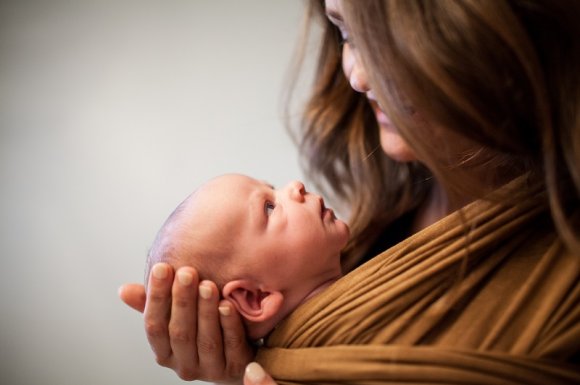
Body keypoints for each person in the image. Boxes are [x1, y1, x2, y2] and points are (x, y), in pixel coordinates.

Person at [119, 0, 580, 383]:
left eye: (382, 41)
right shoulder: (370, 223)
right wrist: (241, 364)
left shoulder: (560, 282)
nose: (356, 76)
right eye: (344, 31)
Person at [144, 173, 349, 341]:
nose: (296, 186)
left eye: (273, 188)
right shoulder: (335, 340)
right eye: (270, 207)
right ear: (255, 297)